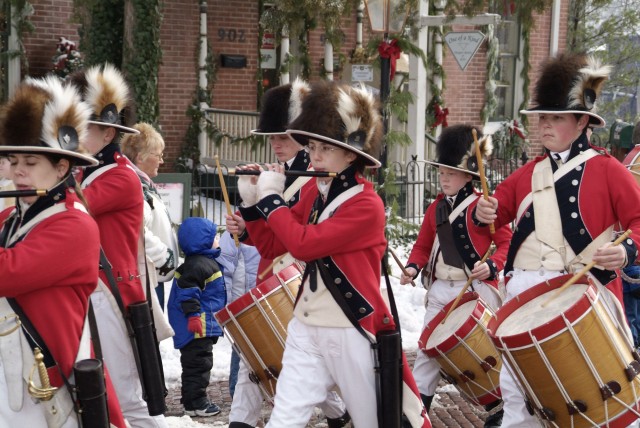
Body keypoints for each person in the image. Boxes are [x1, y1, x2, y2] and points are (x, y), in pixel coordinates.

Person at [227, 80, 431, 428]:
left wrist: (272, 201)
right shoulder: (316, 194)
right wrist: (251, 203)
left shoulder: (367, 205)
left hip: (349, 326)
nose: (315, 156)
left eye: (325, 148)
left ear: (351, 154)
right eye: (313, 146)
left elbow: (306, 244)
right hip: (306, 323)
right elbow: (275, 246)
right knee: (283, 420)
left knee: (374, 422)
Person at [474, 53, 640, 427]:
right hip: (523, 298)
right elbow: (495, 213)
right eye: (542, 118)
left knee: (598, 393)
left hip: (581, 293)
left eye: (555, 117)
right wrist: (482, 213)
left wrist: (626, 249)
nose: (545, 125)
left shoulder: (609, 170)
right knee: (517, 392)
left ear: (582, 121)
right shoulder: (527, 174)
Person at [0, 76, 126, 427]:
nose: (19, 172)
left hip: (49, 387)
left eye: (31, 161)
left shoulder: (74, 225)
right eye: (14, 161)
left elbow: (7, 272)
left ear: (61, 167)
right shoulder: (13, 216)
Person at [226, 79, 350, 428]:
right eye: (273, 138)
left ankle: (339, 413)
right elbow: (267, 243)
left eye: (283, 136)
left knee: (287, 358)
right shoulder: (281, 174)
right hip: (271, 274)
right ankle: (243, 422)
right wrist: (250, 207)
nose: (276, 144)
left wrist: (266, 202)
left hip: (298, 280)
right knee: (259, 356)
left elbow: (290, 238)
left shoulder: (314, 180)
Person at [69, 63, 168, 428]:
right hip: (87, 291)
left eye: (83, 126)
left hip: (109, 294)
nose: (73, 133)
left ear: (108, 131)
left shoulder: (121, 176)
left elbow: (75, 207)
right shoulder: (86, 169)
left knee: (128, 401)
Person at [400, 124, 511, 427]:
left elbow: (506, 243)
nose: (444, 178)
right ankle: (416, 414)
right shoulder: (435, 207)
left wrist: (492, 266)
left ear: (468, 175)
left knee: (483, 354)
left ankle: (502, 408)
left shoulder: (483, 205)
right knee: (427, 350)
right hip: (441, 290)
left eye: (450, 173)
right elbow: (423, 246)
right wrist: (412, 267)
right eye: (442, 173)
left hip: (475, 290)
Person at [168, 217, 226, 417]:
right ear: (202, 241)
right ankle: (197, 403)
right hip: (196, 327)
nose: (218, 240)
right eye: (214, 237)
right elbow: (188, 292)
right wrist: (193, 316)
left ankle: (191, 402)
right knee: (198, 365)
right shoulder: (198, 265)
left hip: (200, 325)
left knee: (195, 364)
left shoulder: (202, 262)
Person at [121, 122, 178, 311]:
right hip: (147, 280)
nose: (161, 161)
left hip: (149, 276)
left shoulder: (140, 184)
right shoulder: (136, 188)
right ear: (140, 157)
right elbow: (136, 230)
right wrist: (164, 257)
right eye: (158, 155)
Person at [216, 230, 261, 398]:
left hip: (268, 294)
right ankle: (237, 391)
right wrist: (226, 303)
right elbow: (224, 268)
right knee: (242, 347)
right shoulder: (236, 230)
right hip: (243, 300)